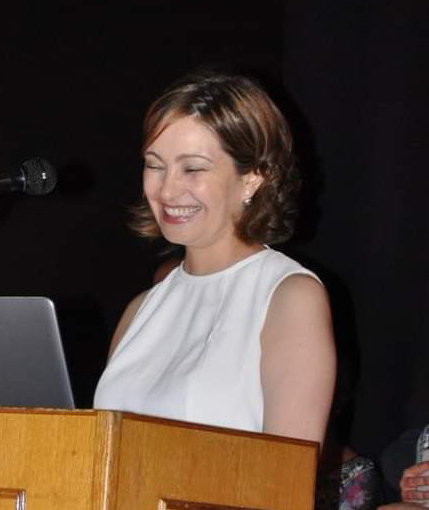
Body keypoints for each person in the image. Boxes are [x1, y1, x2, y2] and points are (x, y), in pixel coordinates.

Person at [94, 69, 335, 445]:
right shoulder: (140, 310)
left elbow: (289, 483)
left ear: (253, 177)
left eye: (192, 169)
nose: (168, 189)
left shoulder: (290, 297)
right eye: (155, 165)